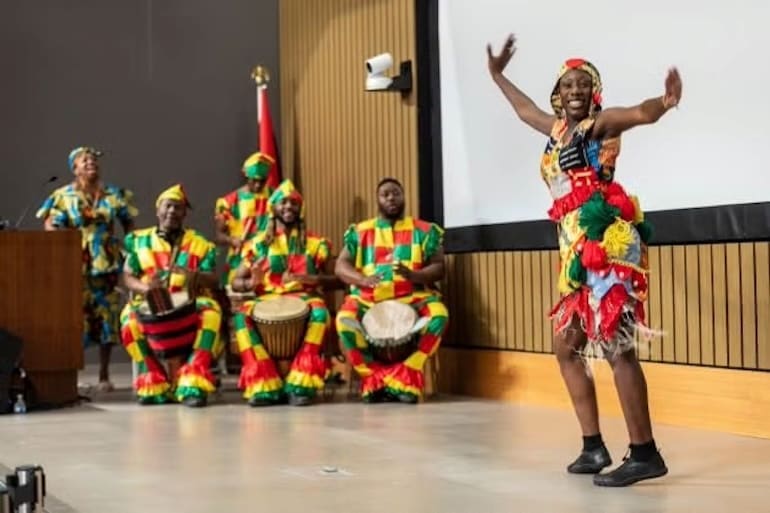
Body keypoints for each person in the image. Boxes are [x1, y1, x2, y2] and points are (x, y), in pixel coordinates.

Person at [487, 34, 682, 486]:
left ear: (592, 92)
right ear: (559, 94)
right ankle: (593, 447)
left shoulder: (602, 124)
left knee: (618, 350)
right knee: (567, 348)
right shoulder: (555, 130)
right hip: (573, 252)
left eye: (582, 85)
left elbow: (640, 113)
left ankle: (645, 453)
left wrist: (665, 102)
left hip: (606, 245)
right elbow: (523, 110)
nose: (574, 91)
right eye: (567, 85)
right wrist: (497, 74)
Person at [334, 178, 448, 404]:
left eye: (396, 193)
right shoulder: (360, 231)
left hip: (412, 297)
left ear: (404, 196)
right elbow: (341, 266)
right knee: (343, 321)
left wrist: (414, 275)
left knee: (439, 315)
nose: (391, 198)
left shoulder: (424, 230)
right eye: (385, 194)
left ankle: (407, 373)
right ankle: (373, 377)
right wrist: (363, 279)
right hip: (368, 299)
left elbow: (439, 267)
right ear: (377, 199)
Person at [36, 146, 137, 392]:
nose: (91, 163)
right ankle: (73, 374)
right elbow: (50, 224)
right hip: (75, 265)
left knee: (108, 316)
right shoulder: (63, 195)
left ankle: (104, 374)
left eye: (94, 160)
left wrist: (133, 254)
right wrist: (61, 244)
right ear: (74, 168)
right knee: (74, 319)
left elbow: (129, 224)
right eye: (85, 160)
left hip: (107, 264)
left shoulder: (113, 194)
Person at [230, 179, 336, 406]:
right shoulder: (258, 244)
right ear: (273, 208)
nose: (289, 207)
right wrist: (251, 283)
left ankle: (302, 382)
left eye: (294, 203)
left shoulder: (316, 243)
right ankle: (263, 383)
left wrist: (313, 279)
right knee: (241, 317)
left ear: (301, 209)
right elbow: (236, 281)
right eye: (283, 203)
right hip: (265, 298)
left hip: (304, 297)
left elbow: (336, 280)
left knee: (320, 313)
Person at [120, 184, 222, 408]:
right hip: (150, 301)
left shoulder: (200, 244)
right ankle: (153, 381)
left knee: (211, 312)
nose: (172, 212)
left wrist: (193, 276)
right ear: (158, 210)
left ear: (185, 213)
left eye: (178, 208)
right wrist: (146, 289)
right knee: (128, 319)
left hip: (189, 302)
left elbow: (214, 280)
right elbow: (127, 277)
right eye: (168, 206)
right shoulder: (139, 241)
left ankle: (193, 380)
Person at [214, 152, 275, 286]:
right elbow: (218, 236)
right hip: (239, 258)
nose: (258, 185)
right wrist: (232, 240)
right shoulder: (229, 202)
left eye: (262, 181)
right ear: (246, 176)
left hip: (267, 256)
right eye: (254, 180)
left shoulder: (275, 198)